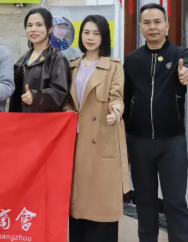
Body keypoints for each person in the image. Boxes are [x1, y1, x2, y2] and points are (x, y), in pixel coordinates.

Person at [123, 3, 188, 242]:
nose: (152, 27)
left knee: (175, 202)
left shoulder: (180, 54)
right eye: (147, 22)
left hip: (171, 142)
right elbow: (124, 98)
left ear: (167, 25)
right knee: (144, 202)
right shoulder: (132, 60)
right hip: (139, 141)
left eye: (157, 22)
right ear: (140, 27)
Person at [63, 15, 130, 242]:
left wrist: (116, 112)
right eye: (86, 32)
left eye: (96, 33)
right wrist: (66, 113)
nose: (90, 37)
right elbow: (66, 101)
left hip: (102, 141)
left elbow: (117, 97)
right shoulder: (72, 66)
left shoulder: (113, 67)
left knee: (101, 206)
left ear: (104, 37)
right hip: (76, 143)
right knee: (78, 205)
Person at [9, 7, 69, 113]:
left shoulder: (56, 58)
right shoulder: (23, 59)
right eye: (29, 25)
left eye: (39, 25)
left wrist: (36, 97)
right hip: (20, 119)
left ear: (49, 28)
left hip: (43, 120)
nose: (33, 29)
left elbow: (59, 93)